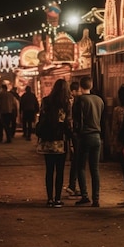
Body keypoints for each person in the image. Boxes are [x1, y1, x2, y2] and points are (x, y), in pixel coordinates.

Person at [37, 79, 73, 208]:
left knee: (49, 170)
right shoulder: (66, 103)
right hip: (60, 141)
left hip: (48, 140)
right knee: (60, 170)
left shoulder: (46, 101)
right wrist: (72, 138)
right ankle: (57, 199)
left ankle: (49, 198)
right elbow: (68, 123)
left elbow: (41, 118)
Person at [73, 76, 104, 207]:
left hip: (84, 136)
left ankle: (85, 196)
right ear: (91, 85)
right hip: (97, 136)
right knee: (95, 169)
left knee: (81, 167)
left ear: (80, 86)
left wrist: (77, 132)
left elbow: (77, 120)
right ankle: (96, 198)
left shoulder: (79, 100)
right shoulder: (99, 100)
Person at [64, 81, 82, 197]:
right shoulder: (73, 101)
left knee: (76, 160)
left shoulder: (67, 101)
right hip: (75, 134)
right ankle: (73, 186)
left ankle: (72, 185)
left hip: (71, 133)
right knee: (77, 160)